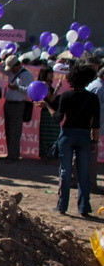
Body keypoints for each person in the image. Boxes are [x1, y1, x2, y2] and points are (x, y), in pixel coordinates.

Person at [37, 63, 99, 216]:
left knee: (65, 171)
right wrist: (94, 141)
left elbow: (58, 118)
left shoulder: (65, 96)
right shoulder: (93, 98)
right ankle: (84, 207)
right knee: (83, 173)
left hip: (67, 135)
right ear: (87, 80)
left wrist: (47, 106)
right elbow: (95, 123)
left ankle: (62, 206)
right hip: (85, 136)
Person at [2, 54, 34, 162]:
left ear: (17, 65)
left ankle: (13, 156)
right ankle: (10, 153)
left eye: (12, 68)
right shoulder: (11, 72)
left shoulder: (27, 75)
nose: (11, 70)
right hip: (8, 103)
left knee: (15, 131)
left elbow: (30, 90)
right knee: (8, 130)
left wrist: (17, 87)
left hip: (18, 105)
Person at [85, 65, 104, 192]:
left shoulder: (95, 85)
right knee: (91, 154)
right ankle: (91, 183)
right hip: (92, 126)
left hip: (90, 125)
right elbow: (93, 109)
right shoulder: (99, 87)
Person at [38, 64, 62, 160]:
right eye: (49, 73)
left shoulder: (48, 84)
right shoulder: (44, 84)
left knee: (52, 134)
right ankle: (47, 154)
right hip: (48, 113)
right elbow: (51, 99)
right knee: (49, 134)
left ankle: (50, 153)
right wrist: (57, 89)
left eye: (52, 73)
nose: (52, 75)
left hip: (50, 112)